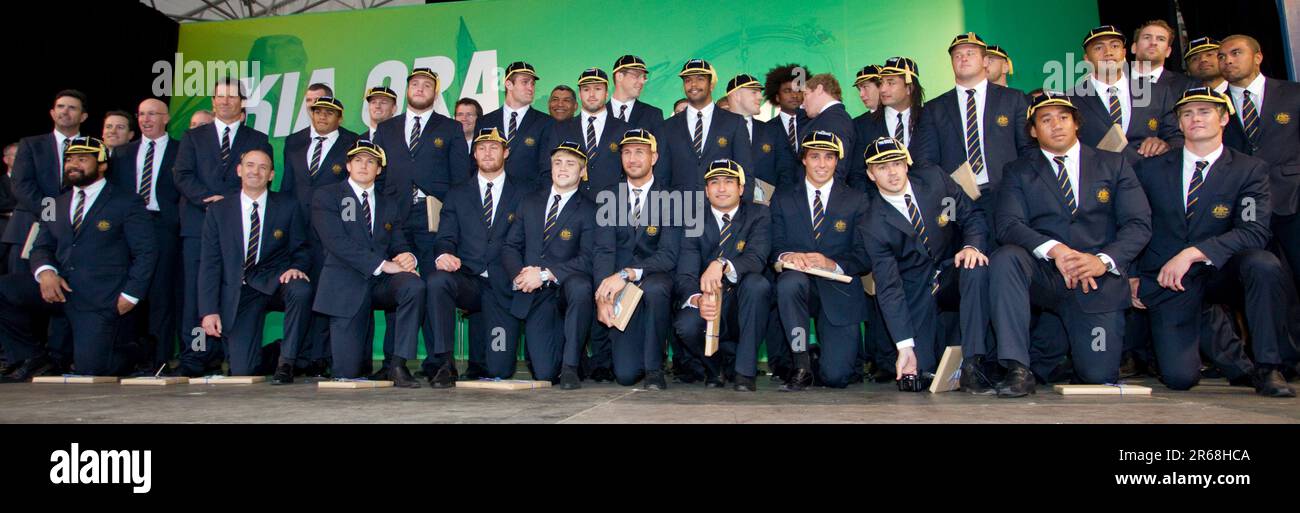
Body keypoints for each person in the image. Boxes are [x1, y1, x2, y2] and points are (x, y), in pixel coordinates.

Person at [1132, 88, 1293, 397]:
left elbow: (1254, 230)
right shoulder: (1150, 169)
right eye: (1187, 114)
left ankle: (1269, 366)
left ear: (1224, 118)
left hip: (1222, 268)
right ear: (1179, 124)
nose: (1195, 119)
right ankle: (1212, 327)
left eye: (1204, 112)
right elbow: (1135, 224)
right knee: (1179, 378)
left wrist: (1194, 252)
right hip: (1170, 277)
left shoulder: (1250, 169)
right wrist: (1132, 275)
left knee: (1264, 265)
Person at [988, 92, 1152, 397]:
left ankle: (1060, 349)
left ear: (1076, 123)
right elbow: (1008, 224)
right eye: (1045, 119)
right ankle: (1016, 368)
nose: (1056, 125)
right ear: (1034, 130)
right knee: (1006, 258)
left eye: (1063, 117)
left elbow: (1138, 225)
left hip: (1097, 282)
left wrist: (1101, 260)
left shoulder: (1114, 164)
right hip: (1046, 276)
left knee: (1098, 374)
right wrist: (1057, 250)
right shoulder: (1018, 170)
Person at [0, 137, 156, 381]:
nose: (73, 165)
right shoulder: (55, 203)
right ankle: (32, 357)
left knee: (91, 371)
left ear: (102, 165)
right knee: (3, 289)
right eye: (70, 159)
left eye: (82, 159)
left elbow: (146, 251)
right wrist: (46, 272)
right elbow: (41, 247)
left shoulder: (127, 201)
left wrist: (131, 294)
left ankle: (139, 350)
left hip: (100, 298)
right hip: (59, 290)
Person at [859, 137, 992, 391]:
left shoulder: (935, 180)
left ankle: (975, 362)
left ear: (907, 164)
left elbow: (971, 216)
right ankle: (924, 355)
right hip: (916, 288)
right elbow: (888, 286)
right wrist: (904, 346)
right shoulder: (872, 223)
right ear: (871, 174)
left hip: (953, 268)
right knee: (919, 372)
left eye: (897, 163)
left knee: (976, 267)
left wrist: (971, 246)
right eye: (882, 167)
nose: (892, 172)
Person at [172, 77, 273, 377]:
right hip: (198, 223)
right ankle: (196, 357)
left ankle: (232, 353)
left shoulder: (257, 138)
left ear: (242, 103)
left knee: (233, 290)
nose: (226, 101)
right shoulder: (193, 137)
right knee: (197, 294)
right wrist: (208, 199)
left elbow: (258, 180)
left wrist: (228, 202)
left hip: (239, 229)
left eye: (232, 96)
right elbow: (182, 175)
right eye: (220, 96)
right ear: (213, 102)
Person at [311, 141, 424, 386]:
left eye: (371, 161)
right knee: (348, 374)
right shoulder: (327, 196)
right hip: (345, 285)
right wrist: (383, 264)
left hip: (380, 284)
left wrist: (408, 257)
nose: (364, 165)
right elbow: (336, 242)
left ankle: (397, 364)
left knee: (413, 285)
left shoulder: (388, 203)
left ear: (379, 170)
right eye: (358, 160)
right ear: (348, 165)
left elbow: (398, 242)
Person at [197, 149, 312, 381]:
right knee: (242, 371)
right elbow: (209, 263)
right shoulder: (219, 211)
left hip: (275, 281)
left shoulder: (288, 205)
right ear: (239, 170)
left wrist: (297, 266)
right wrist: (208, 311)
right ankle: (280, 350)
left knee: (301, 288)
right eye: (250, 165)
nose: (255, 171)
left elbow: (302, 248)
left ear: (271, 175)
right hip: (240, 292)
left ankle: (287, 363)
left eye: (263, 167)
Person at [771, 131, 871, 390]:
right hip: (799, 285)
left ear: (837, 161)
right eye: (815, 156)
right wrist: (787, 256)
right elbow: (773, 245)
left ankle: (822, 357)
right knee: (789, 283)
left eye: (829, 157)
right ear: (803, 159)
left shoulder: (857, 199)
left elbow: (864, 255)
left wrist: (831, 263)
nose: (822, 164)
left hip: (838, 290)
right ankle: (801, 363)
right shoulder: (783, 197)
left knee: (836, 378)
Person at [424, 128, 524, 385]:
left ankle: (488, 360)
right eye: (481, 148)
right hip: (469, 280)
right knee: (438, 281)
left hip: (504, 284)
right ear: (474, 154)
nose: (487, 152)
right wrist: (444, 254)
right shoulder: (457, 193)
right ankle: (444, 363)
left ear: (506, 152)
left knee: (499, 369)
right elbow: (445, 236)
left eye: (494, 147)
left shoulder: (525, 192)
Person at [501, 141, 597, 386]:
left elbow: (588, 258)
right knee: (544, 373)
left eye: (570, 163)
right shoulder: (530, 201)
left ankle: (571, 366)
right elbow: (511, 246)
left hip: (566, 290)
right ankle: (572, 359)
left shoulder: (590, 209)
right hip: (534, 293)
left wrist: (545, 274)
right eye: (558, 163)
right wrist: (520, 276)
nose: (563, 168)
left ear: (583, 171)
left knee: (580, 286)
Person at [673, 159, 771, 391]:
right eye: (714, 182)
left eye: (729, 182)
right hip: (708, 301)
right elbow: (685, 273)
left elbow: (757, 259)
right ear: (706, 191)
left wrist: (722, 263)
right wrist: (696, 299)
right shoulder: (694, 219)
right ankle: (713, 368)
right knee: (685, 325)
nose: (721, 188)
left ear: (741, 188)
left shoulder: (759, 214)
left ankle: (744, 373)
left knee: (758, 284)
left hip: (741, 303)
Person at [592, 129, 681, 389]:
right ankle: (638, 356)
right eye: (627, 152)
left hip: (653, 282)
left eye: (640, 152)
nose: (632, 159)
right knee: (626, 375)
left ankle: (655, 368)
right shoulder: (608, 197)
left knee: (656, 287)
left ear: (654, 157)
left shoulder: (673, 198)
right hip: (620, 292)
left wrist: (628, 274)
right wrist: (602, 297)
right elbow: (603, 251)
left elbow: (668, 255)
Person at [278, 96, 359, 375]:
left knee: (331, 292)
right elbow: (288, 186)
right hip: (299, 230)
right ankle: (297, 357)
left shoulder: (353, 142)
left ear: (340, 117)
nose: (323, 117)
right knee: (304, 291)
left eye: (330, 113)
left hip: (334, 232)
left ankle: (323, 357)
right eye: (318, 111)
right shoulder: (294, 142)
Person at [915, 32, 1034, 212]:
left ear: (985, 61)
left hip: (1008, 194)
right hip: (956, 199)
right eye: (957, 55)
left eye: (970, 53)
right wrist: (948, 189)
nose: (963, 59)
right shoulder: (934, 108)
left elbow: (1028, 149)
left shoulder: (1014, 99)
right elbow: (926, 160)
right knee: (966, 241)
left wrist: (1022, 186)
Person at [108, 98, 182, 371]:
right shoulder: (122, 153)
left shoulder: (182, 150)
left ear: (166, 118)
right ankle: (127, 356)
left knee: (161, 294)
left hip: (163, 226)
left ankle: (159, 360)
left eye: (152, 114)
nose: (146, 119)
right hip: (128, 228)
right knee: (128, 291)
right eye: (141, 114)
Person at [1069, 25, 1181, 163]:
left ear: (1124, 53)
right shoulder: (1070, 99)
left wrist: (1165, 145)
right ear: (1086, 58)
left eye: (1115, 46)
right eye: (1098, 48)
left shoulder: (1156, 91)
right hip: (1098, 181)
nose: (1108, 52)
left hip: (1148, 179)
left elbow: (1176, 137)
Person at [660, 59, 752, 192]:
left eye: (700, 79)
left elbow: (745, 173)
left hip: (721, 208)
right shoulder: (667, 127)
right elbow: (661, 177)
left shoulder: (734, 122)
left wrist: (743, 210)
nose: (693, 84)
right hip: (679, 209)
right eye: (688, 80)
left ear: (712, 85)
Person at [548, 67, 630, 197]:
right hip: (572, 208)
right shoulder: (560, 129)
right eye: (586, 89)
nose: (592, 94)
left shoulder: (624, 129)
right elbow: (549, 170)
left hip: (613, 205)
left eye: (597, 89)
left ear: (607, 93)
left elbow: (630, 172)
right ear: (580, 94)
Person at [478, 62, 555, 193]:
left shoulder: (546, 123)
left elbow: (547, 169)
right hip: (490, 198)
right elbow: (474, 163)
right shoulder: (485, 121)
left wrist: (538, 201)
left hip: (528, 200)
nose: (530, 88)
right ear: (508, 84)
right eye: (525, 82)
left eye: (532, 84)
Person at [724, 73, 796, 188]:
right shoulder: (712, 130)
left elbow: (786, 171)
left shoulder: (773, 131)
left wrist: (776, 200)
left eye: (759, 92)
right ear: (737, 95)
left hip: (765, 204)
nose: (760, 97)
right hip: (719, 203)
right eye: (754, 92)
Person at [607, 54, 665, 134]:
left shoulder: (653, 114)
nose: (642, 82)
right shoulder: (595, 114)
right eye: (636, 76)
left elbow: (660, 145)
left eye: (644, 77)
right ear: (619, 76)